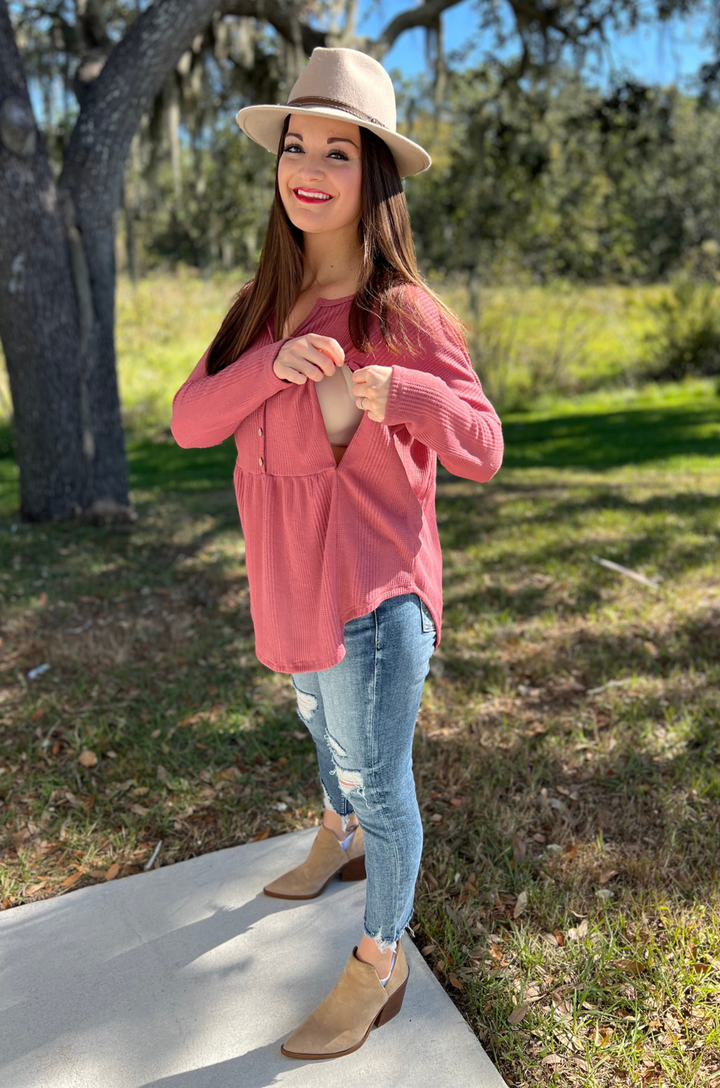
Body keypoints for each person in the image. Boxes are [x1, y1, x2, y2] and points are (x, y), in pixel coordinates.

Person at [170, 46, 504, 1061]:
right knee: (321, 729)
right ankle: (338, 832)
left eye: (339, 152)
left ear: (376, 178)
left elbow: (482, 447)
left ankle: (379, 956)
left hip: (370, 588)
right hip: (286, 575)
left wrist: (403, 394)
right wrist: (268, 365)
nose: (308, 167)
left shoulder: (400, 312)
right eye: (295, 145)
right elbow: (190, 420)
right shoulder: (260, 303)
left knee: (378, 769)